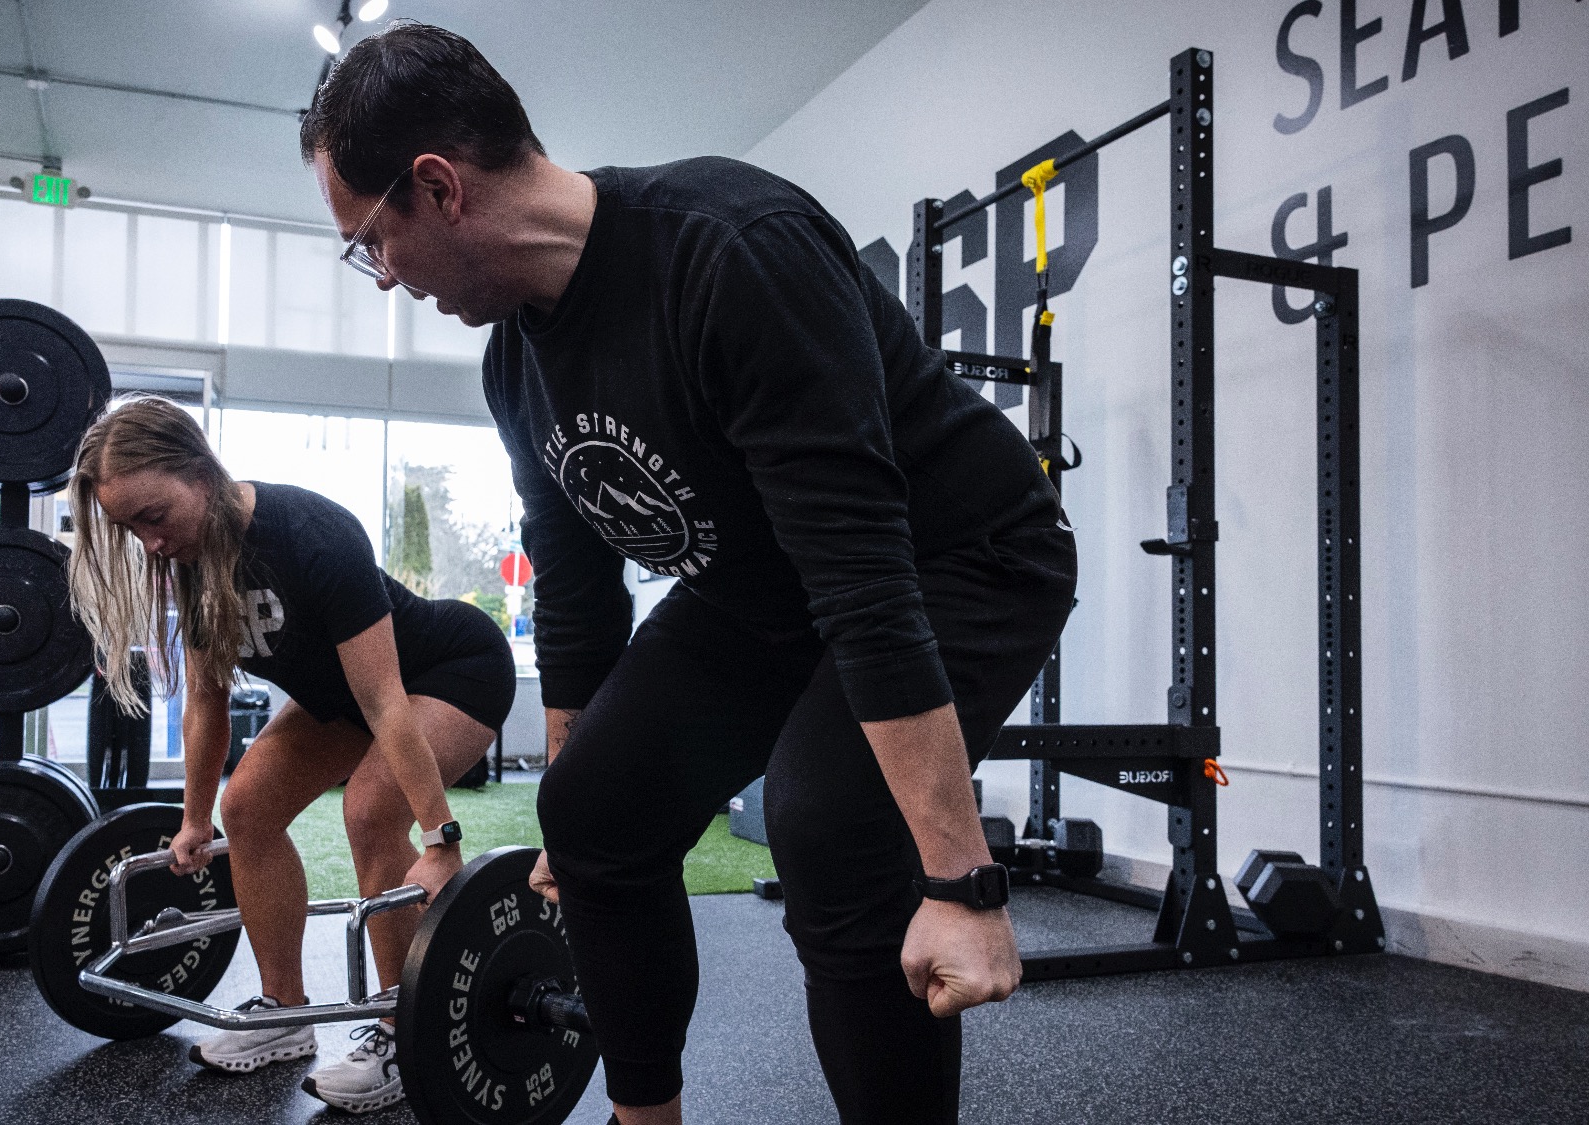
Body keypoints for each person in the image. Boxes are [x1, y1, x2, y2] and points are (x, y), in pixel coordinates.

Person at [299, 23, 1077, 1125]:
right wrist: (577, 806)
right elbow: (572, 586)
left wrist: (960, 884)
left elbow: (861, 578)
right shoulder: (515, 357)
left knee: (826, 823)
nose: (380, 276)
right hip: (758, 589)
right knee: (595, 809)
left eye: (371, 241)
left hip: (960, 555)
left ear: (437, 187)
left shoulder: (728, 250)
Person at [65, 395, 515, 1114]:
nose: (148, 540)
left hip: (451, 672)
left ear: (201, 476)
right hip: (348, 695)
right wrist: (194, 818)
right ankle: (285, 1011)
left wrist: (439, 836)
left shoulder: (311, 534)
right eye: (130, 528)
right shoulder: (190, 559)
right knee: (246, 806)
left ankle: (405, 1032)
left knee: (371, 811)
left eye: (154, 515)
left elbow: (384, 702)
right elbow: (207, 703)